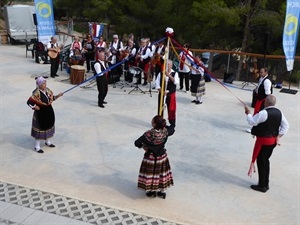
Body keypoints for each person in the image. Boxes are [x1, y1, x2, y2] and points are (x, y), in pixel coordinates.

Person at [244, 94, 289, 192]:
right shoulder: (279, 112)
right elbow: (286, 126)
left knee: (261, 162)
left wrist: (248, 114)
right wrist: (278, 136)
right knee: (265, 161)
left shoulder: (263, 113)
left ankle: (262, 185)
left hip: (263, 141)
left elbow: (252, 122)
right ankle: (265, 183)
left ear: (266, 102)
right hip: (272, 141)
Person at [134, 115, 174, 199]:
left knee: (151, 174)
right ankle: (162, 191)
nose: (151, 122)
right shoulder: (165, 131)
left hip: (151, 157)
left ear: (155, 124)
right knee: (162, 173)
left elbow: (137, 142)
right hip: (162, 156)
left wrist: (143, 147)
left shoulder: (149, 134)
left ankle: (151, 191)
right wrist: (163, 125)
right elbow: (172, 129)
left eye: (152, 121)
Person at [27, 76, 63, 153]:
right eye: (43, 83)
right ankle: (37, 146)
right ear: (39, 84)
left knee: (49, 125)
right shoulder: (36, 93)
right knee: (40, 128)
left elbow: (51, 98)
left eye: (45, 83)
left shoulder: (47, 90)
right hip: (40, 113)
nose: (45, 84)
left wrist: (58, 96)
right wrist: (34, 106)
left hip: (48, 111)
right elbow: (29, 102)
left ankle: (47, 141)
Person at [247, 67, 273, 133]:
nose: (260, 73)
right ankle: (254, 126)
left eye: (262, 72)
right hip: (259, 99)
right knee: (256, 112)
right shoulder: (261, 79)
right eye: (260, 72)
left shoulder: (267, 81)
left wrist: (266, 102)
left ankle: (254, 128)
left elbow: (268, 93)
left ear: (266, 72)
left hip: (263, 100)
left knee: (258, 114)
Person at [155, 59, 179, 129]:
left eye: (168, 64)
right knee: (160, 108)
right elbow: (157, 84)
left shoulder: (175, 73)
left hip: (171, 95)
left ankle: (172, 124)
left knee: (171, 109)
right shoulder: (161, 73)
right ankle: (159, 123)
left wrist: (169, 75)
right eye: (166, 64)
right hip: (162, 94)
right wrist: (162, 91)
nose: (167, 66)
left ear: (171, 65)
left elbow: (176, 82)